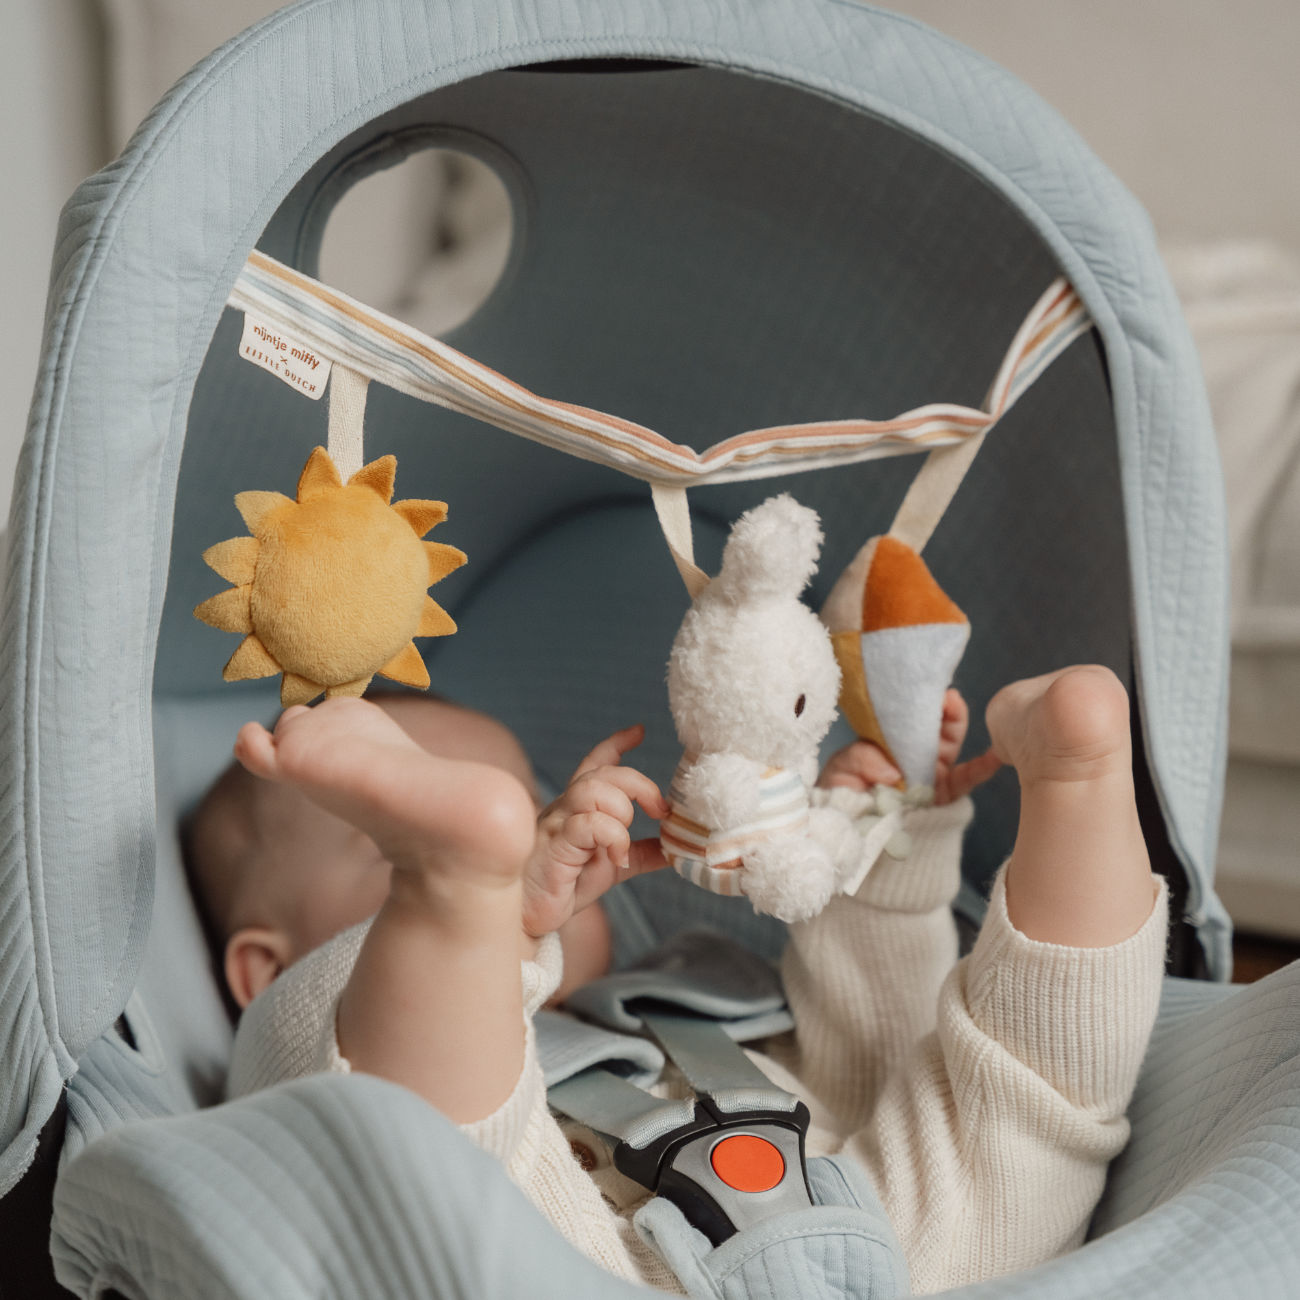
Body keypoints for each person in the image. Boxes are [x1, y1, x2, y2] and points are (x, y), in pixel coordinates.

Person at [187, 666, 1166, 1294]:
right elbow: (365, 1105)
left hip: (894, 1247)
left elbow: (872, 1055)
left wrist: (875, 847)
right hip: (573, 1263)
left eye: (534, 820)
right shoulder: (295, 1028)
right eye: (387, 855)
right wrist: (495, 927)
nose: (535, 849)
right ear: (258, 965)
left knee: (1018, 1104)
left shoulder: (683, 990)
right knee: (410, 1152)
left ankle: (1077, 778)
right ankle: (444, 891)